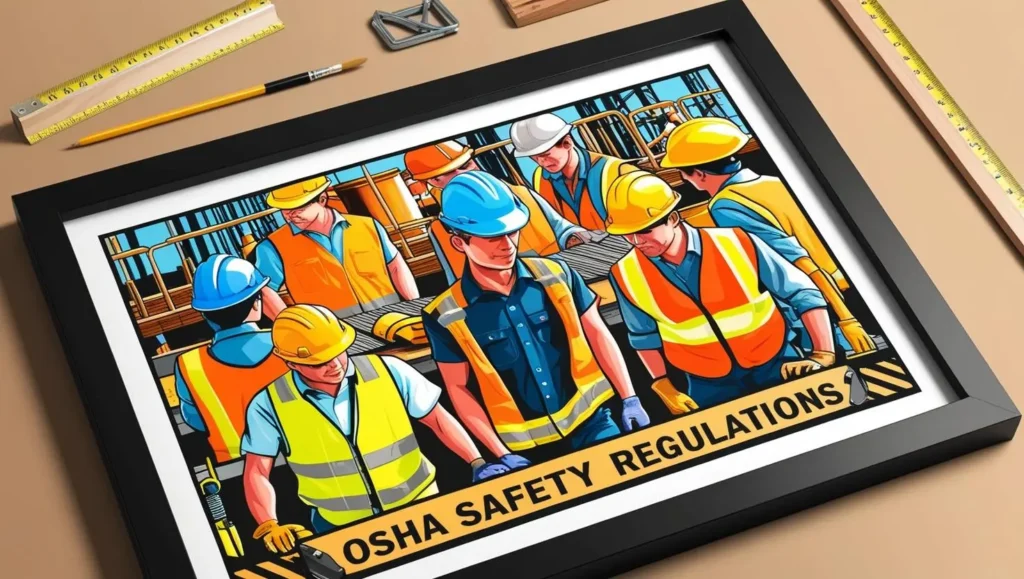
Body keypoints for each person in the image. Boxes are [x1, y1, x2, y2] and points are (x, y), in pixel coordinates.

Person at [422, 171, 650, 469]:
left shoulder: (557, 274)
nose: (507, 244)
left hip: (593, 422)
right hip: (526, 452)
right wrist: (499, 453)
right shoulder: (445, 314)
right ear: (458, 243)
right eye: (492, 237)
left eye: (512, 231)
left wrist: (629, 398)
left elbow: (597, 334)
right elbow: (458, 389)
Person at [240, 304, 506, 552]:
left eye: (337, 353)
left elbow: (438, 420)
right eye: (319, 362)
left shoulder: (389, 370)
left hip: (422, 509)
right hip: (340, 528)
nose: (334, 365)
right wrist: (268, 523)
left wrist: (477, 462)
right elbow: (257, 471)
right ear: (291, 363)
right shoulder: (270, 404)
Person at [604, 171, 836, 410]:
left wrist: (822, 352)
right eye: (626, 235)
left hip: (776, 361)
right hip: (705, 383)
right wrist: (662, 383)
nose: (635, 241)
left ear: (673, 218)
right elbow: (643, 336)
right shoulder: (625, 273)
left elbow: (803, 293)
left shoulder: (735, 242)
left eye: (644, 231)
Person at [661, 117, 875, 354]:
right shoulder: (774, 183)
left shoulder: (725, 205)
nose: (683, 179)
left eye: (683, 173)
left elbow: (797, 262)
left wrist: (847, 320)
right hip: (839, 281)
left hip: (820, 303)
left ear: (700, 174)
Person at [404, 140, 605, 283]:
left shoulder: (524, 195)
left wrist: (573, 237)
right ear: (430, 181)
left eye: (466, 165)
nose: (463, 175)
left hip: (558, 277)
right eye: (448, 173)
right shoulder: (442, 229)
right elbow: (455, 278)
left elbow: (561, 228)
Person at [254, 176, 419, 321]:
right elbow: (265, 293)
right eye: (284, 209)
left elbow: (396, 267)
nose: (290, 214)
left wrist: (415, 309)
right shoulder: (273, 247)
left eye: (298, 207)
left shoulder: (368, 226)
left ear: (322, 199)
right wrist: (298, 331)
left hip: (393, 319)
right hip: (334, 336)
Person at [174, 255, 287, 463]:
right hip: (305, 458)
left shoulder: (189, 365)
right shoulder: (288, 344)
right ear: (256, 304)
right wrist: (286, 318)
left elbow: (195, 418)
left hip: (236, 468)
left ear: (204, 314)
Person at [510, 113, 641, 231]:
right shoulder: (540, 176)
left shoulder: (617, 171)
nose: (541, 162)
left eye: (546, 154)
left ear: (567, 143)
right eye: (534, 157)